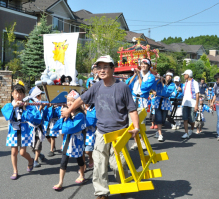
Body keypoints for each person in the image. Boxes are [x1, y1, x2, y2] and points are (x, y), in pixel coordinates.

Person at [61, 55, 139, 199]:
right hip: (101, 132)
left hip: (120, 133)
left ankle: (123, 183)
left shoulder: (122, 87)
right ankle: (101, 192)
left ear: (112, 69)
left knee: (117, 165)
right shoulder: (96, 86)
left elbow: (132, 109)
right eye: (99, 67)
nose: (101, 70)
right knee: (99, 164)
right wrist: (69, 110)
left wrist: (136, 128)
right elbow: (81, 99)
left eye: (105, 67)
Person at [1, 84, 40, 180]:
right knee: (14, 152)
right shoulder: (8, 106)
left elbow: (34, 118)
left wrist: (25, 109)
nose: (18, 96)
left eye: (20, 93)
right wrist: (13, 107)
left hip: (24, 131)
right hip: (13, 132)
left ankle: (30, 160)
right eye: (16, 93)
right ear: (12, 94)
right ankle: (15, 171)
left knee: (22, 152)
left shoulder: (28, 106)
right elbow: (7, 116)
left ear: (23, 95)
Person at [52, 90, 86, 190]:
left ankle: (82, 175)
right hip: (67, 140)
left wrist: (68, 116)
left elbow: (69, 128)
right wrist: (63, 116)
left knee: (79, 159)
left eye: (72, 101)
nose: (69, 103)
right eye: (68, 101)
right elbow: (57, 126)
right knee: (63, 161)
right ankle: (60, 182)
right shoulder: (67, 112)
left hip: (77, 141)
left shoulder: (80, 114)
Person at [127, 58, 156, 150]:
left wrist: (139, 75)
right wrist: (134, 75)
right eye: (142, 64)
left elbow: (143, 87)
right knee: (132, 122)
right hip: (133, 98)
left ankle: (142, 141)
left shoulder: (151, 77)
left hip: (142, 100)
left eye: (145, 64)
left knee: (141, 122)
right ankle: (137, 142)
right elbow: (127, 85)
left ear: (149, 66)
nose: (143, 65)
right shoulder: (136, 75)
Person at [153, 70, 175, 142]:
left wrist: (162, 83)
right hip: (158, 101)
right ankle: (160, 135)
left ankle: (158, 131)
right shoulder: (160, 82)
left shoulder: (172, 85)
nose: (169, 77)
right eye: (168, 75)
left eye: (170, 76)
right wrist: (158, 80)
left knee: (163, 119)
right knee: (159, 119)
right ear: (165, 75)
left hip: (165, 102)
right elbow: (153, 86)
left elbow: (167, 92)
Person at [181, 69, 199, 139]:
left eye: (184, 74)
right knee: (185, 119)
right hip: (185, 103)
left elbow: (197, 94)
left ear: (187, 75)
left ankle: (191, 129)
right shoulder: (184, 83)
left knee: (192, 120)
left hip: (192, 103)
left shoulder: (195, 83)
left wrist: (196, 105)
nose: (184, 76)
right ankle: (186, 132)